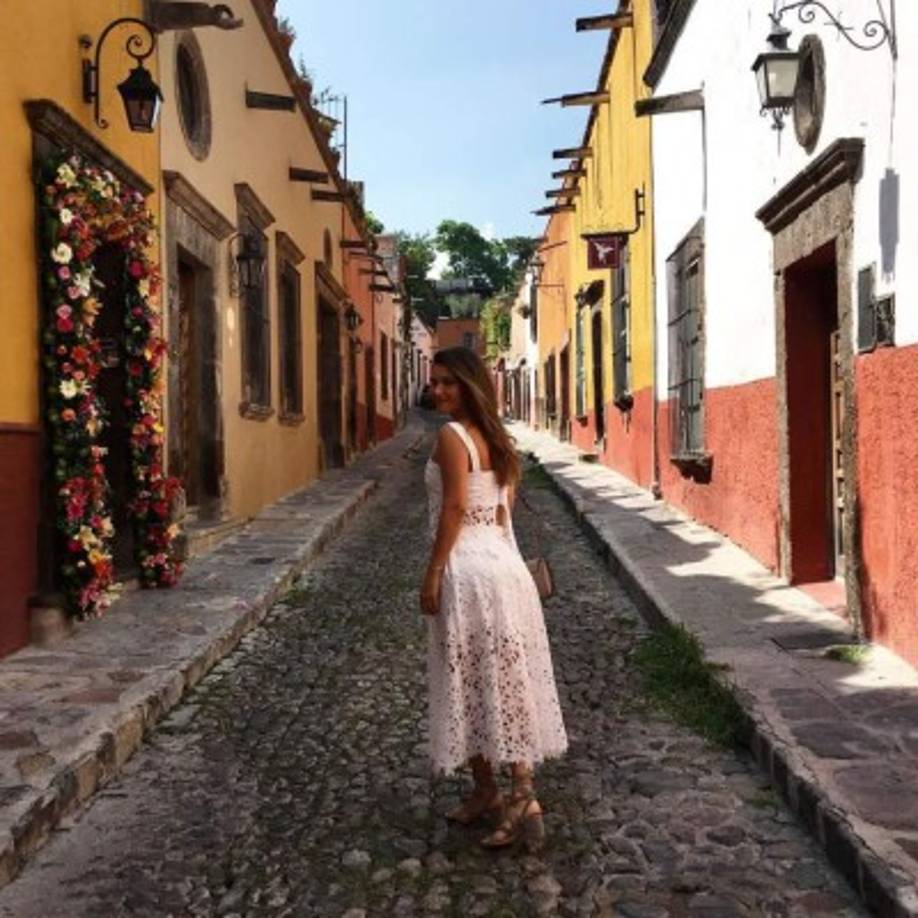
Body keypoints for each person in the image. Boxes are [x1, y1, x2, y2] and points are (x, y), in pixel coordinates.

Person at [421, 346, 568, 852]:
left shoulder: (451, 436)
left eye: (448, 383)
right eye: (434, 382)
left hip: (467, 570)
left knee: (470, 682)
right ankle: (499, 792)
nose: (437, 390)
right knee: (503, 681)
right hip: (506, 573)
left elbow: (455, 509)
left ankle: (516, 796)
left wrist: (434, 572)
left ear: (470, 385)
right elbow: (504, 517)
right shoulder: (498, 439)